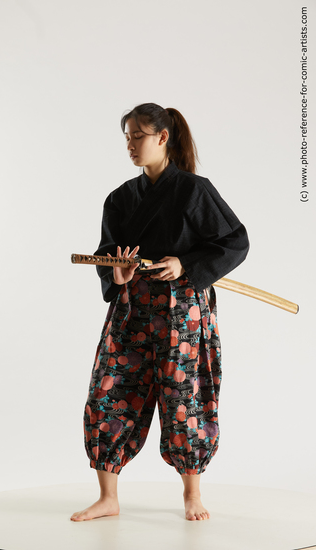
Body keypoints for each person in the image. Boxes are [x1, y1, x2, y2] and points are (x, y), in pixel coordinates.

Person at [70, 103, 249, 522]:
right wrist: (118, 273)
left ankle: (192, 493)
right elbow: (106, 257)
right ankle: (108, 497)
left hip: (182, 310)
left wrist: (184, 265)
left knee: (184, 395)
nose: (131, 145)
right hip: (131, 309)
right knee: (110, 391)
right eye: (127, 137)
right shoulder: (120, 198)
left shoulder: (193, 190)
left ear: (162, 137)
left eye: (138, 136)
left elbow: (234, 242)